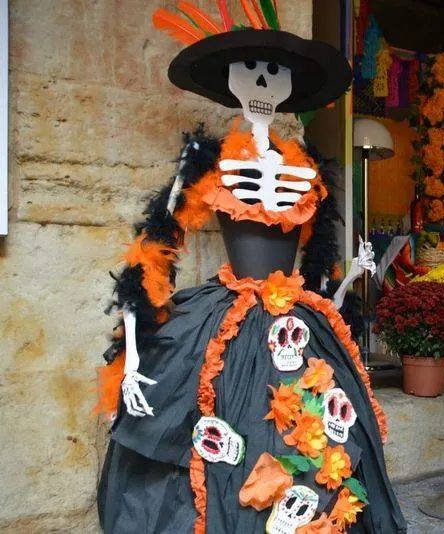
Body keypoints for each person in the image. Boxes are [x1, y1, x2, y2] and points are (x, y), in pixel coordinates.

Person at [93, 3, 406, 532]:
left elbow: (319, 259)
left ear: (290, 86)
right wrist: (134, 353)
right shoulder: (208, 160)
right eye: (252, 71)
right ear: (230, 81)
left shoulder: (306, 169)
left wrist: (349, 281)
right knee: (217, 423)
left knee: (318, 427)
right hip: (227, 312)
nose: (263, 82)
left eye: (275, 72)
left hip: (296, 314)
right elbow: (153, 250)